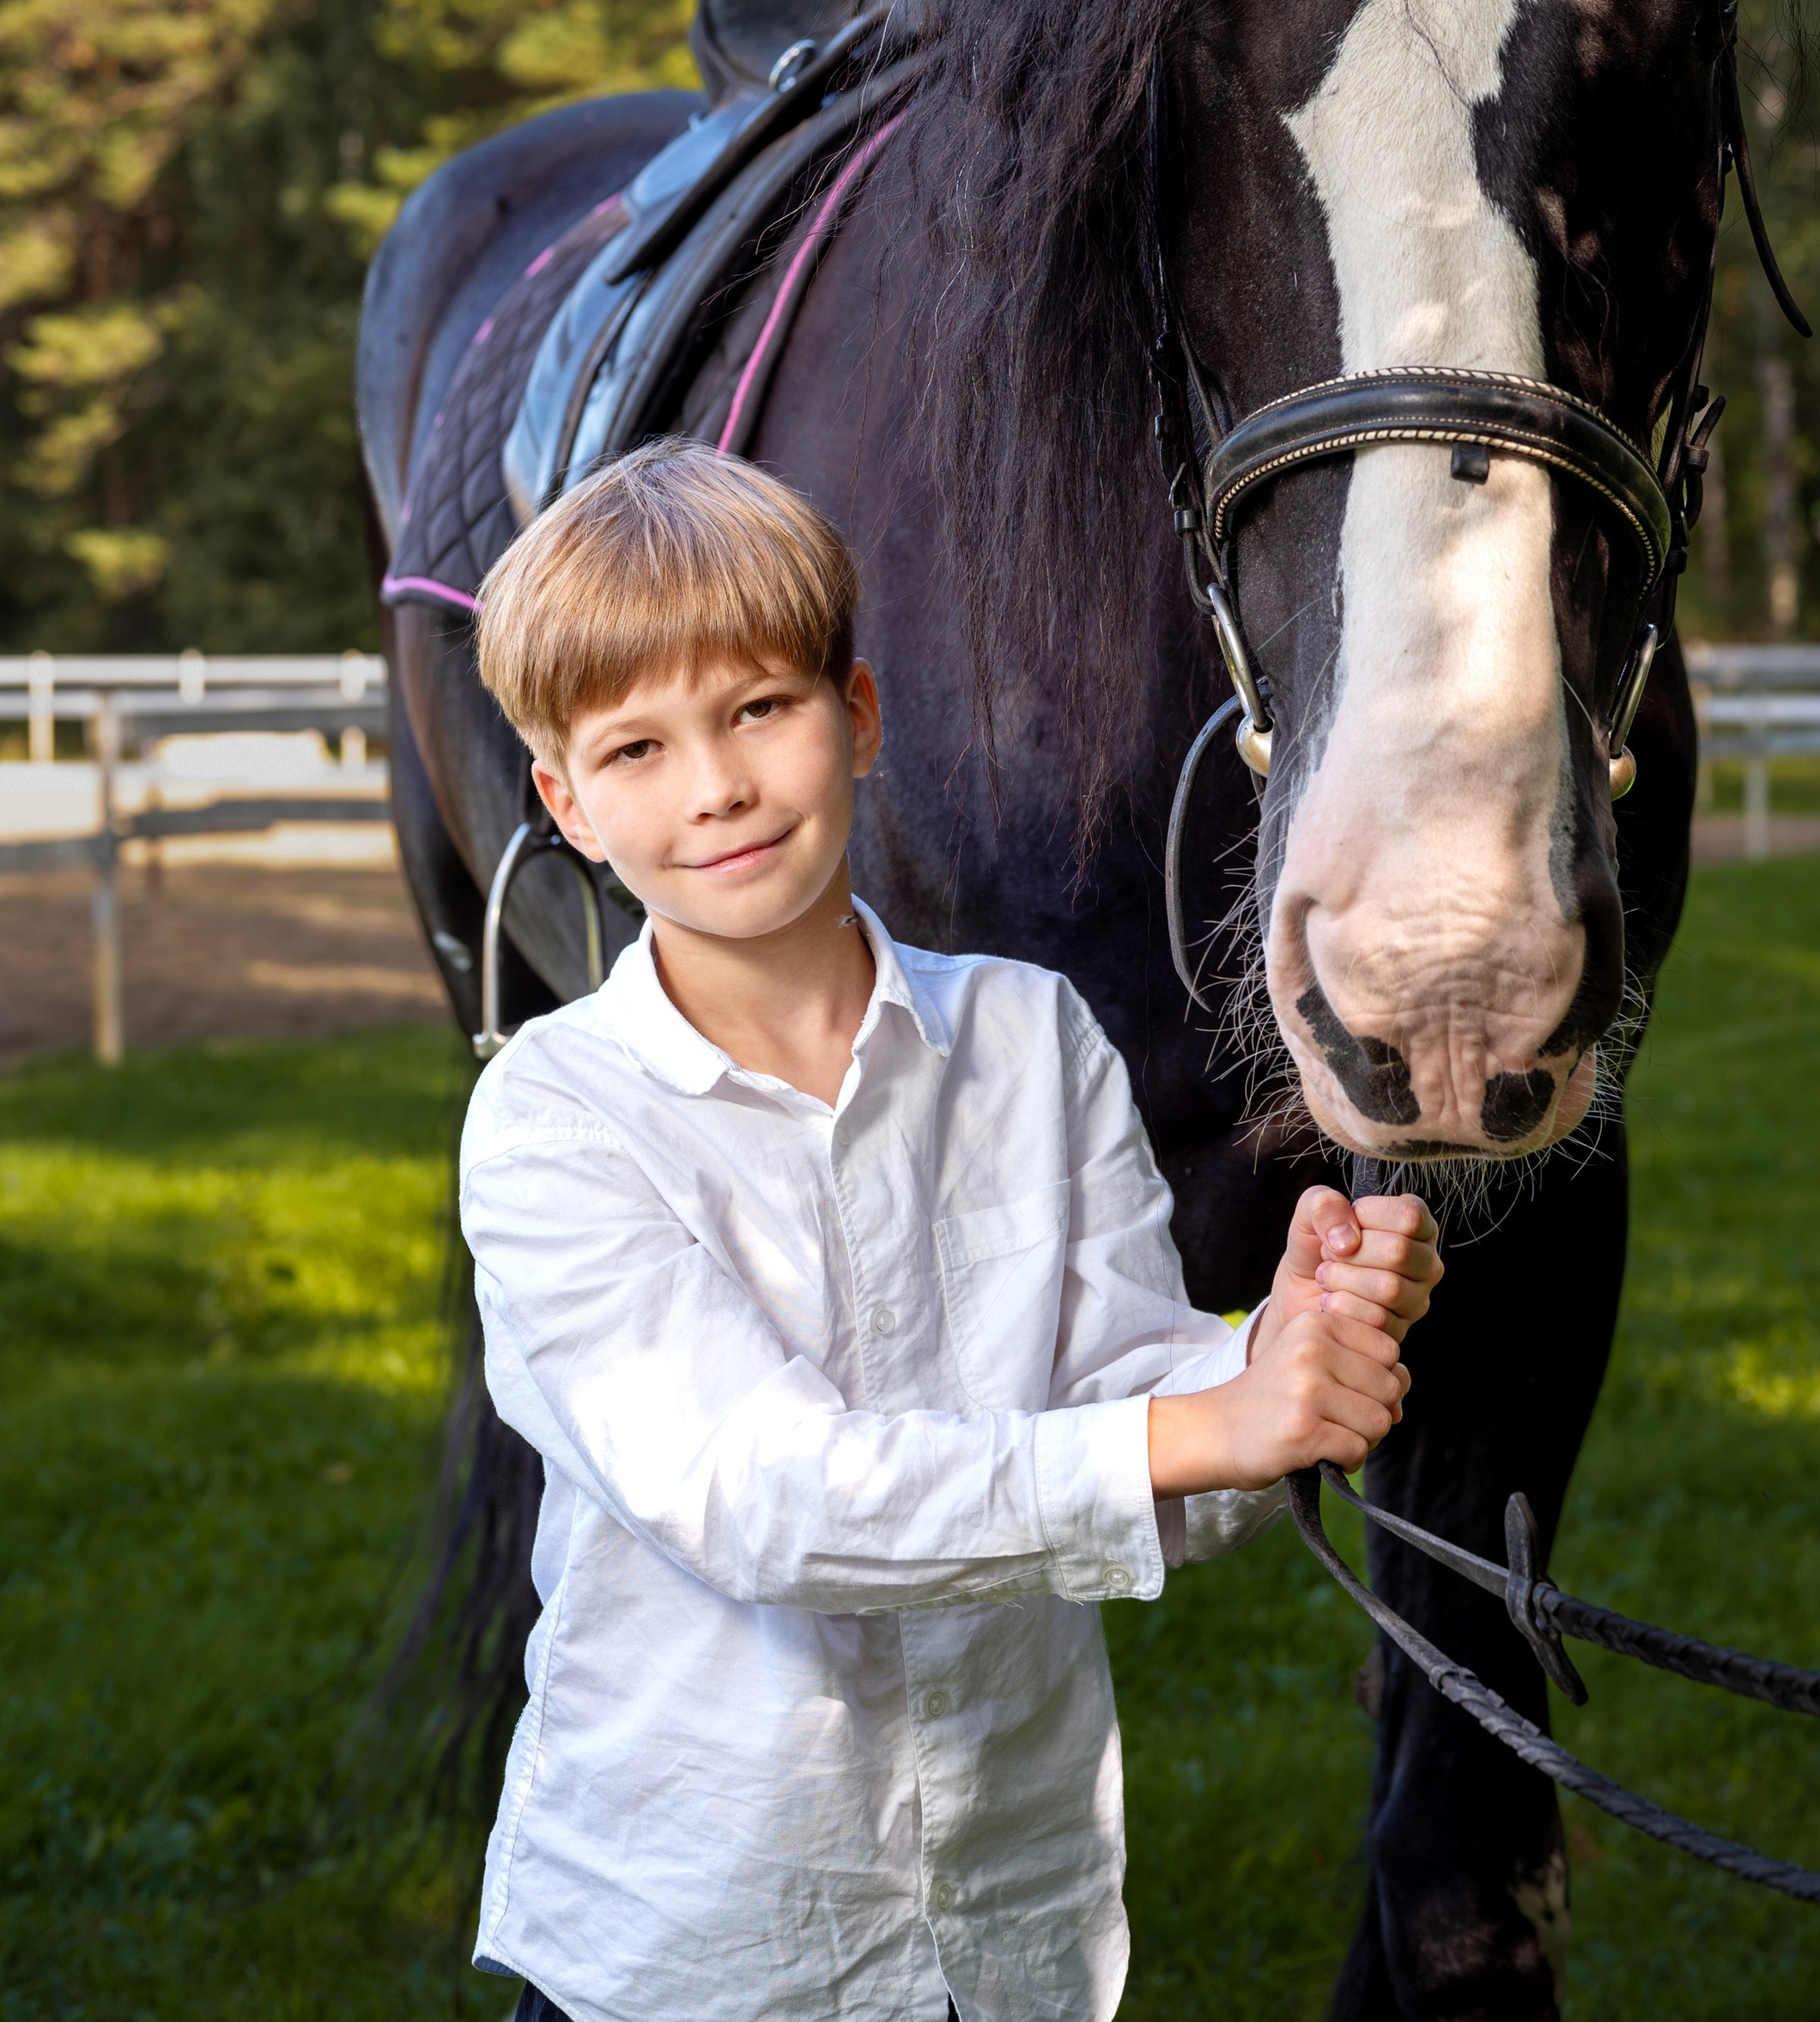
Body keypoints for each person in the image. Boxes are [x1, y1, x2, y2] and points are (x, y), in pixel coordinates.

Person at [462, 439, 1442, 2022]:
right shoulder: (557, 1117)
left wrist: (1283, 1357)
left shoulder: (1031, 1036)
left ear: (856, 715)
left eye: (757, 710)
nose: (714, 787)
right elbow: (764, 1501)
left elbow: (1133, 1420)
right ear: (566, 802)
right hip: (702, 1946)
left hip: (1009, 1924)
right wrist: (1201, 1428)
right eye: (636, 748)